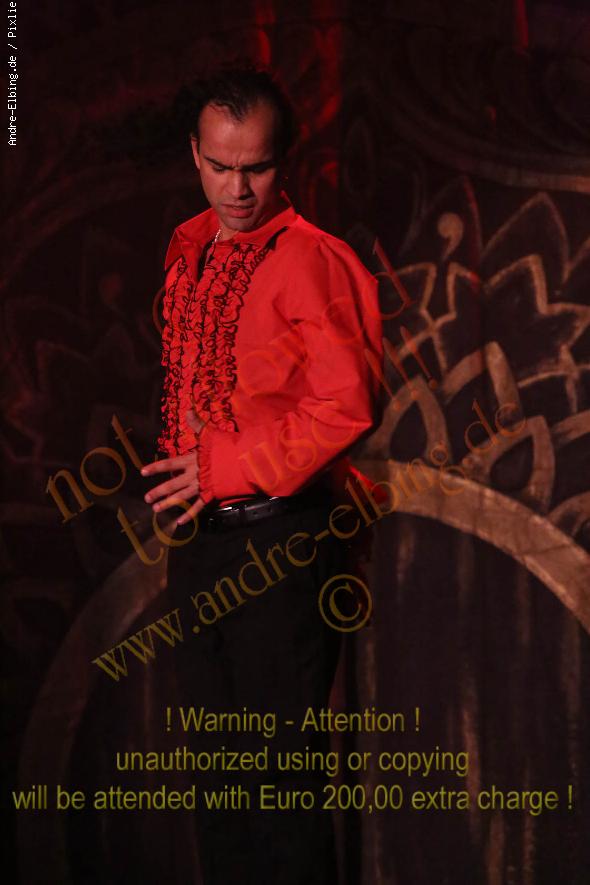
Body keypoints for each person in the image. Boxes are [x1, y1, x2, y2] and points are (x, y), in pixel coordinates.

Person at [140, 67, 383, 885]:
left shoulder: (313, 258)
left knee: (280, 794)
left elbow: (348, 405)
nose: (237, 188)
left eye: (257, 167)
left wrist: (221, 465)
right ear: (194, 154)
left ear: (285, 160)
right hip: (203, 545)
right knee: (221, 793)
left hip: (281, 543)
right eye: (220, 166)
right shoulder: (187, 250)